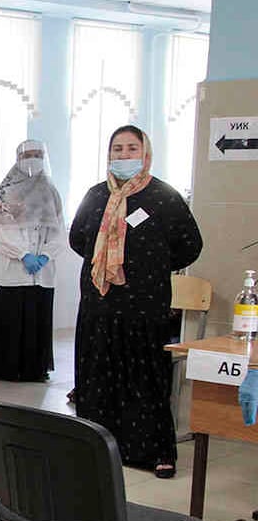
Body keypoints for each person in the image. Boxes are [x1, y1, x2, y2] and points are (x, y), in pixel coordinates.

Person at [69, 125, 202, 479]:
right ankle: (95, 449)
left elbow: (190, 245)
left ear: (145, 153)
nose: (123, 155)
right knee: (97, 376)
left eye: (131, 148)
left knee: (145, 377)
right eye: (117, 149)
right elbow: (78, 237)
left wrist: (148, 266)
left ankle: (155, 453)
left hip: (146, 305)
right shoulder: (96, 195)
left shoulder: (164, 197)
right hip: (100, 303)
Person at [0, 141, 65, 382]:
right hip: (12, 268)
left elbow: (59, 228)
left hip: (41, 270)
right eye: (28, 155)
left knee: (36, 315)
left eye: (38, 155)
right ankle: (5, 367)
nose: (33, 160)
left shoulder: (50, 191)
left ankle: (35, 368)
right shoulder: (8, 189)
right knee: (12, 315)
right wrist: (22, 253)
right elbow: (1, 229)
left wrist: (45, 254)